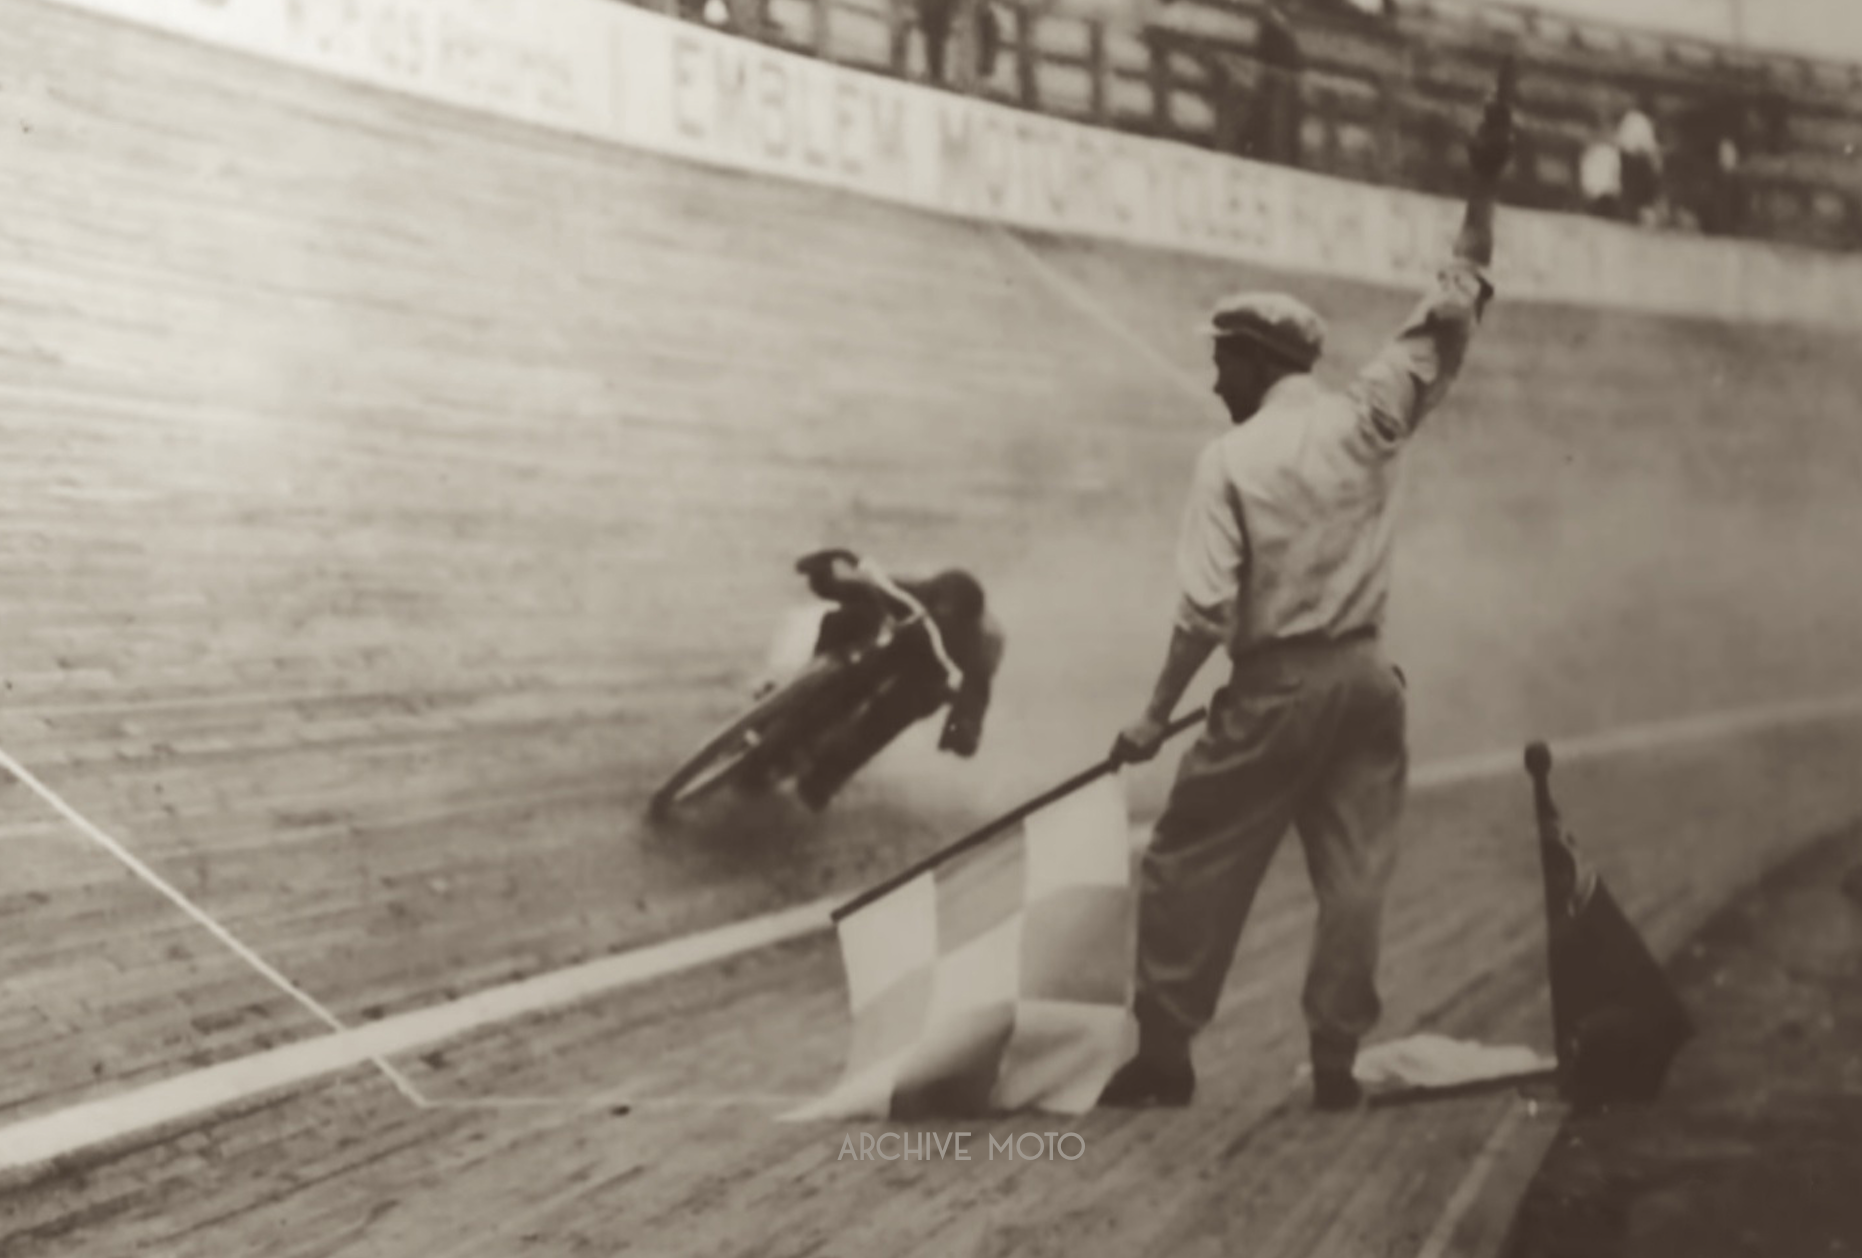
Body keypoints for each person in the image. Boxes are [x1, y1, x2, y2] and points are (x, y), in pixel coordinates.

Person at [1097, 70, 1514, 1113]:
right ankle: (1335, 1063)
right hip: (1369, 682)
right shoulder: (1369, 414)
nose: (1211, 381)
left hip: (1273, 690)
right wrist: (1480, 182)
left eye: (1218, 363)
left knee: (1188, 855)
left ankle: (1164, 1059)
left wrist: (1152, 717)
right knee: (1353, 873)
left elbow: (1201, 613)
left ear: (1247, 360)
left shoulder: (1228, 458)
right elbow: (1456, 293)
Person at [780, 548, 1004, 811]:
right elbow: (861, 590)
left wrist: (965, 727)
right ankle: (797, 703)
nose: (935, 619)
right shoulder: (917, 592)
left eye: (945, 618)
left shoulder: (978, 647)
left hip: (932, 675)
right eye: (933, 609)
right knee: (850, 666)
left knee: (885, 720)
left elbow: (976, 694)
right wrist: (821, 577)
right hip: (904, 645)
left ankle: (821, 782)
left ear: (964, 624)